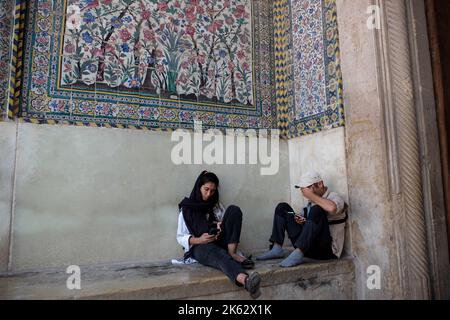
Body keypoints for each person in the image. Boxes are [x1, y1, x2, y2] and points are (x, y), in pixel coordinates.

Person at [176, 170, 261, 299]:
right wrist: (199, 240)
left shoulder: (216, 206)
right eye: (206, 189)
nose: (209, 194)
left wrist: (219, 226)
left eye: (213, 191)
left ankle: (232, 253)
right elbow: (180, 237)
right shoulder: (187, 209)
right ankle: (246, 280)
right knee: (219, 254)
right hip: (200, 247)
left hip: (219, 241)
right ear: (198, 187)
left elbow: (224, 223)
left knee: (234, 210)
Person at [257, 171, 348, 267]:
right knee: (283, 208)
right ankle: (277, 248)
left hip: (326, 251)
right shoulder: (311, 202)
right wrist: (301, 221)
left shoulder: (334, 197)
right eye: (303, 189)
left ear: (320, 184)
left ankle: (298, 252)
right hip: (308, 247)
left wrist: (311, 196)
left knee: (317, 209)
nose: (304, 192)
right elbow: (310, 225)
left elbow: (332, 208)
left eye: (307, 188)